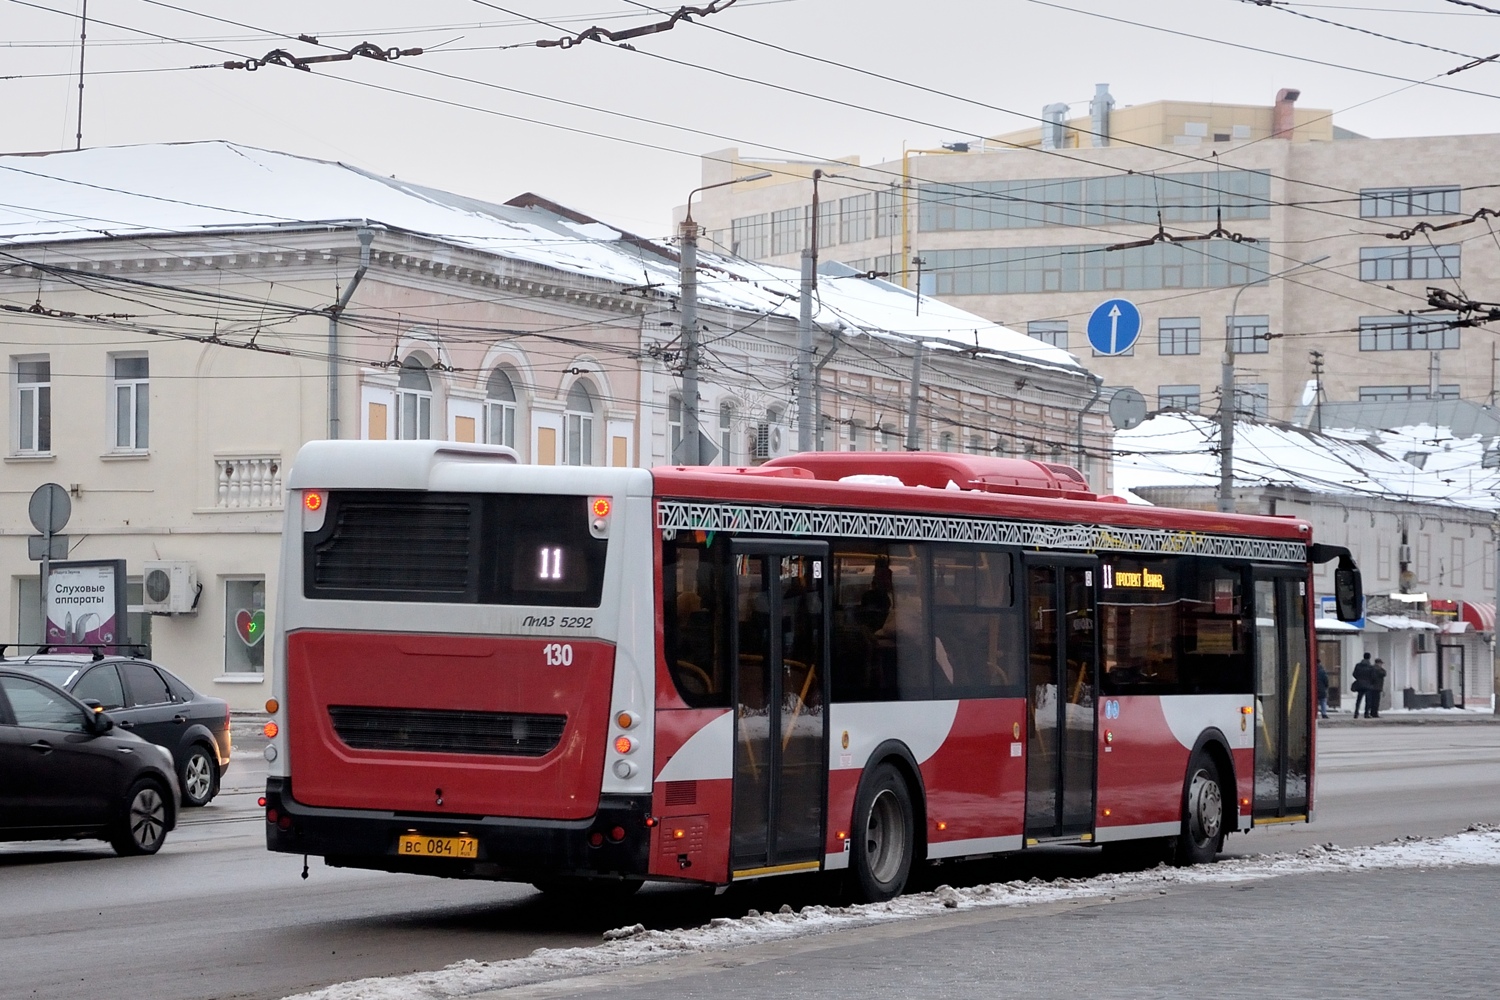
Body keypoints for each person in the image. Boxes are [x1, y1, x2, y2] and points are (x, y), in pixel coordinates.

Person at [1351, 651, 1373, 718]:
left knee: (1359, 699)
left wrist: (1359, 678)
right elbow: (1373, 676)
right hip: (1368, 685)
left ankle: (1356, 713)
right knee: (1368, 700)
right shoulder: (1370, 667)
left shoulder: (1358, 665)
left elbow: (1354, 674)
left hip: (1360, 684)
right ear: (1369, 658)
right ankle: (1366, 713)